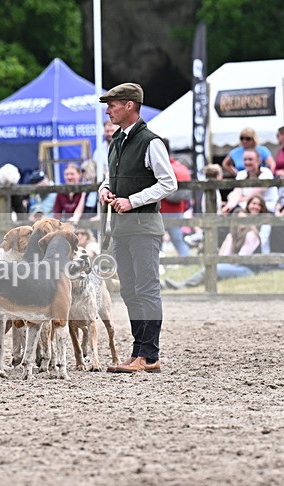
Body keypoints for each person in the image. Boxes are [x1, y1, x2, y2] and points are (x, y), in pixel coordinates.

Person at [97, 82, 177, 374]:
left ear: (129, 105)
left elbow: (169, 182)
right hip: (123, 228)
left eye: (113, 105)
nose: (108, 110)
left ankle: (150, 354)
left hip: (144, 226)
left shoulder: (151, 141)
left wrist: (133, 201)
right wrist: (105, 190)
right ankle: (138, 352)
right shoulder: (117, 141)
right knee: (129, 290)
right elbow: (109, 178)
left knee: (146, 289)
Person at [163, 196, 269, 289]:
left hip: (248, 270)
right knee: (212, 268)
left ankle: (182, 286)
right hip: (236, 265)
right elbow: (224, 255)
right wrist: (230, 238)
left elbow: (240, 259)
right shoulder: (234, 234)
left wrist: (222, 265)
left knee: (214, 269)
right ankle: (180, 284)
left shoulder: (251, 235)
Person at [160, 139, 192, 257]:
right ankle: (186, 262)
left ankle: (160, 265)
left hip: (161, 209)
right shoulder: (180, 167)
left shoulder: (161, 167)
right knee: (177, 240)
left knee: (156, 241)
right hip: (177, 209)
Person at [222, 149, 277, 213]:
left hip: (265, 207)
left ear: (258, 161)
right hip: (246, 206)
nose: (247, 162)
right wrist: (228, 207)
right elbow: (237, 192)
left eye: (250, 159)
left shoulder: (266, 173)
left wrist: (242, 199)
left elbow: (255, 194)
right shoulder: (241, 174)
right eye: (245, 159)